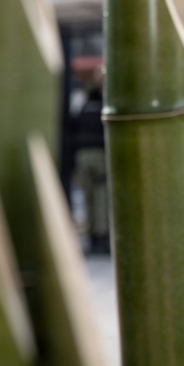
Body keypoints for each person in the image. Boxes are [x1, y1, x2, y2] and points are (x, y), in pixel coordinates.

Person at [73, 85, 109, 254]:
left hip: (82, 155)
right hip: (99, 155)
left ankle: (90, 238)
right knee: (101, 196)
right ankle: (101, 238)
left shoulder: (82, 111)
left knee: (87, 198)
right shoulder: (103, 110)